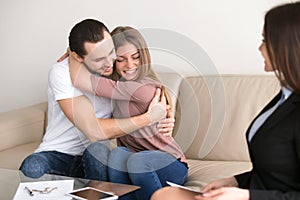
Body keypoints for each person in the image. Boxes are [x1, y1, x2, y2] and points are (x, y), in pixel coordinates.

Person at [151, 1, 300, 200]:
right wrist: (235, 181)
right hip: (257, 192)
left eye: (265, 41)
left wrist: (246, 196)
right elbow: (275, 173)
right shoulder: (285, 96)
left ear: (286, 46)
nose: (260, 48)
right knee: (166, 195)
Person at [19, 19, 173, 182]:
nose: (108, 63)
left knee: (98, 149)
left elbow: (150, 91)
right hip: (58, 154)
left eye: (110, 52)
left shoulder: (119, 71)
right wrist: (147, 118)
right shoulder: (62, 72)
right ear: (78, 57)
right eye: (98, 59)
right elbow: (93, 131)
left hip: (95, 155)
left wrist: (167, 117)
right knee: (31, 167)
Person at [69, 26, 188, 200]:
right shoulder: (116, 87)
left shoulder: (142, 88)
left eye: (135, 57)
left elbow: (79, 79)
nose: (130, 65)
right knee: (118, 154)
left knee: (137, 161)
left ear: (144, 56)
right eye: (121, 59)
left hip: (171, 166)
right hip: (137, 164)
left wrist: (72, 52)